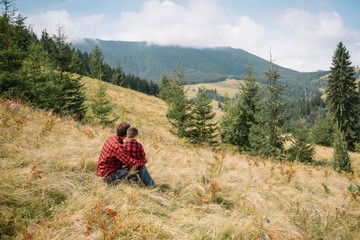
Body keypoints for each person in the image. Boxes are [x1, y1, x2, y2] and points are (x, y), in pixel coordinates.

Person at [96, 122, 156, 187]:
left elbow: (123, 159)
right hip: (108, 179)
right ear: (126, 134)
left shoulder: (111, 138)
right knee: (139, 166)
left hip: (102, 173)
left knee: (135, 166)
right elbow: (133, 164)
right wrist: (144, 161)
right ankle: (152, 186)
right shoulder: (117, 147)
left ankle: (135, 181)